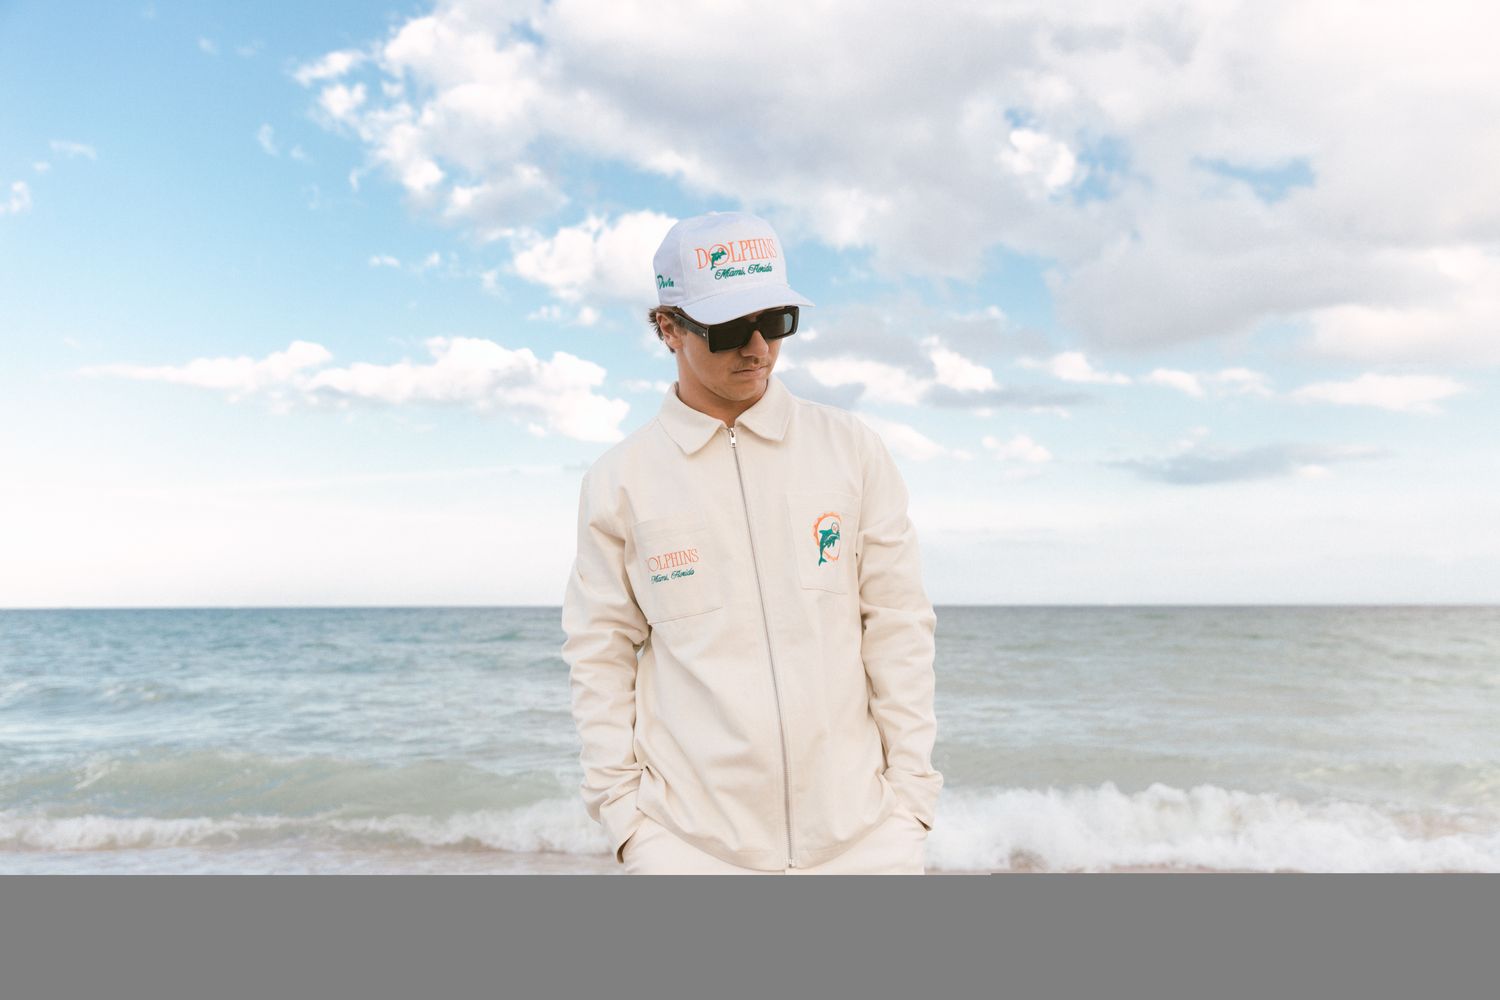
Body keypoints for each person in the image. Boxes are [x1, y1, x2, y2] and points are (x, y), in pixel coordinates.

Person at [562, 209, 942, 874]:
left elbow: (899, 625)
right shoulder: (621, 481)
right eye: (731, 327)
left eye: (776, 320)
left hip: (866, 842)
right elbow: (599, 654)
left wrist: (910, 806)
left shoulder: (851, 450)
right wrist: (627, 821)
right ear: (668, 328)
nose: (758, 346)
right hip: (689, 849)